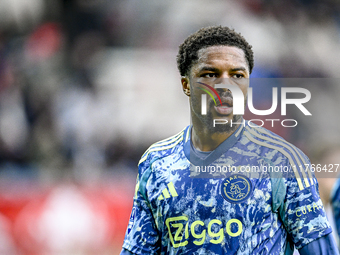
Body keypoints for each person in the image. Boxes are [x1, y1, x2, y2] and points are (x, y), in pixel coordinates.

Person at [120, 26, 338, 254]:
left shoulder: (283, 161)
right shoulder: (156, 162)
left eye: (237, 75)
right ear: (186, 85)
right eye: (210, 74)